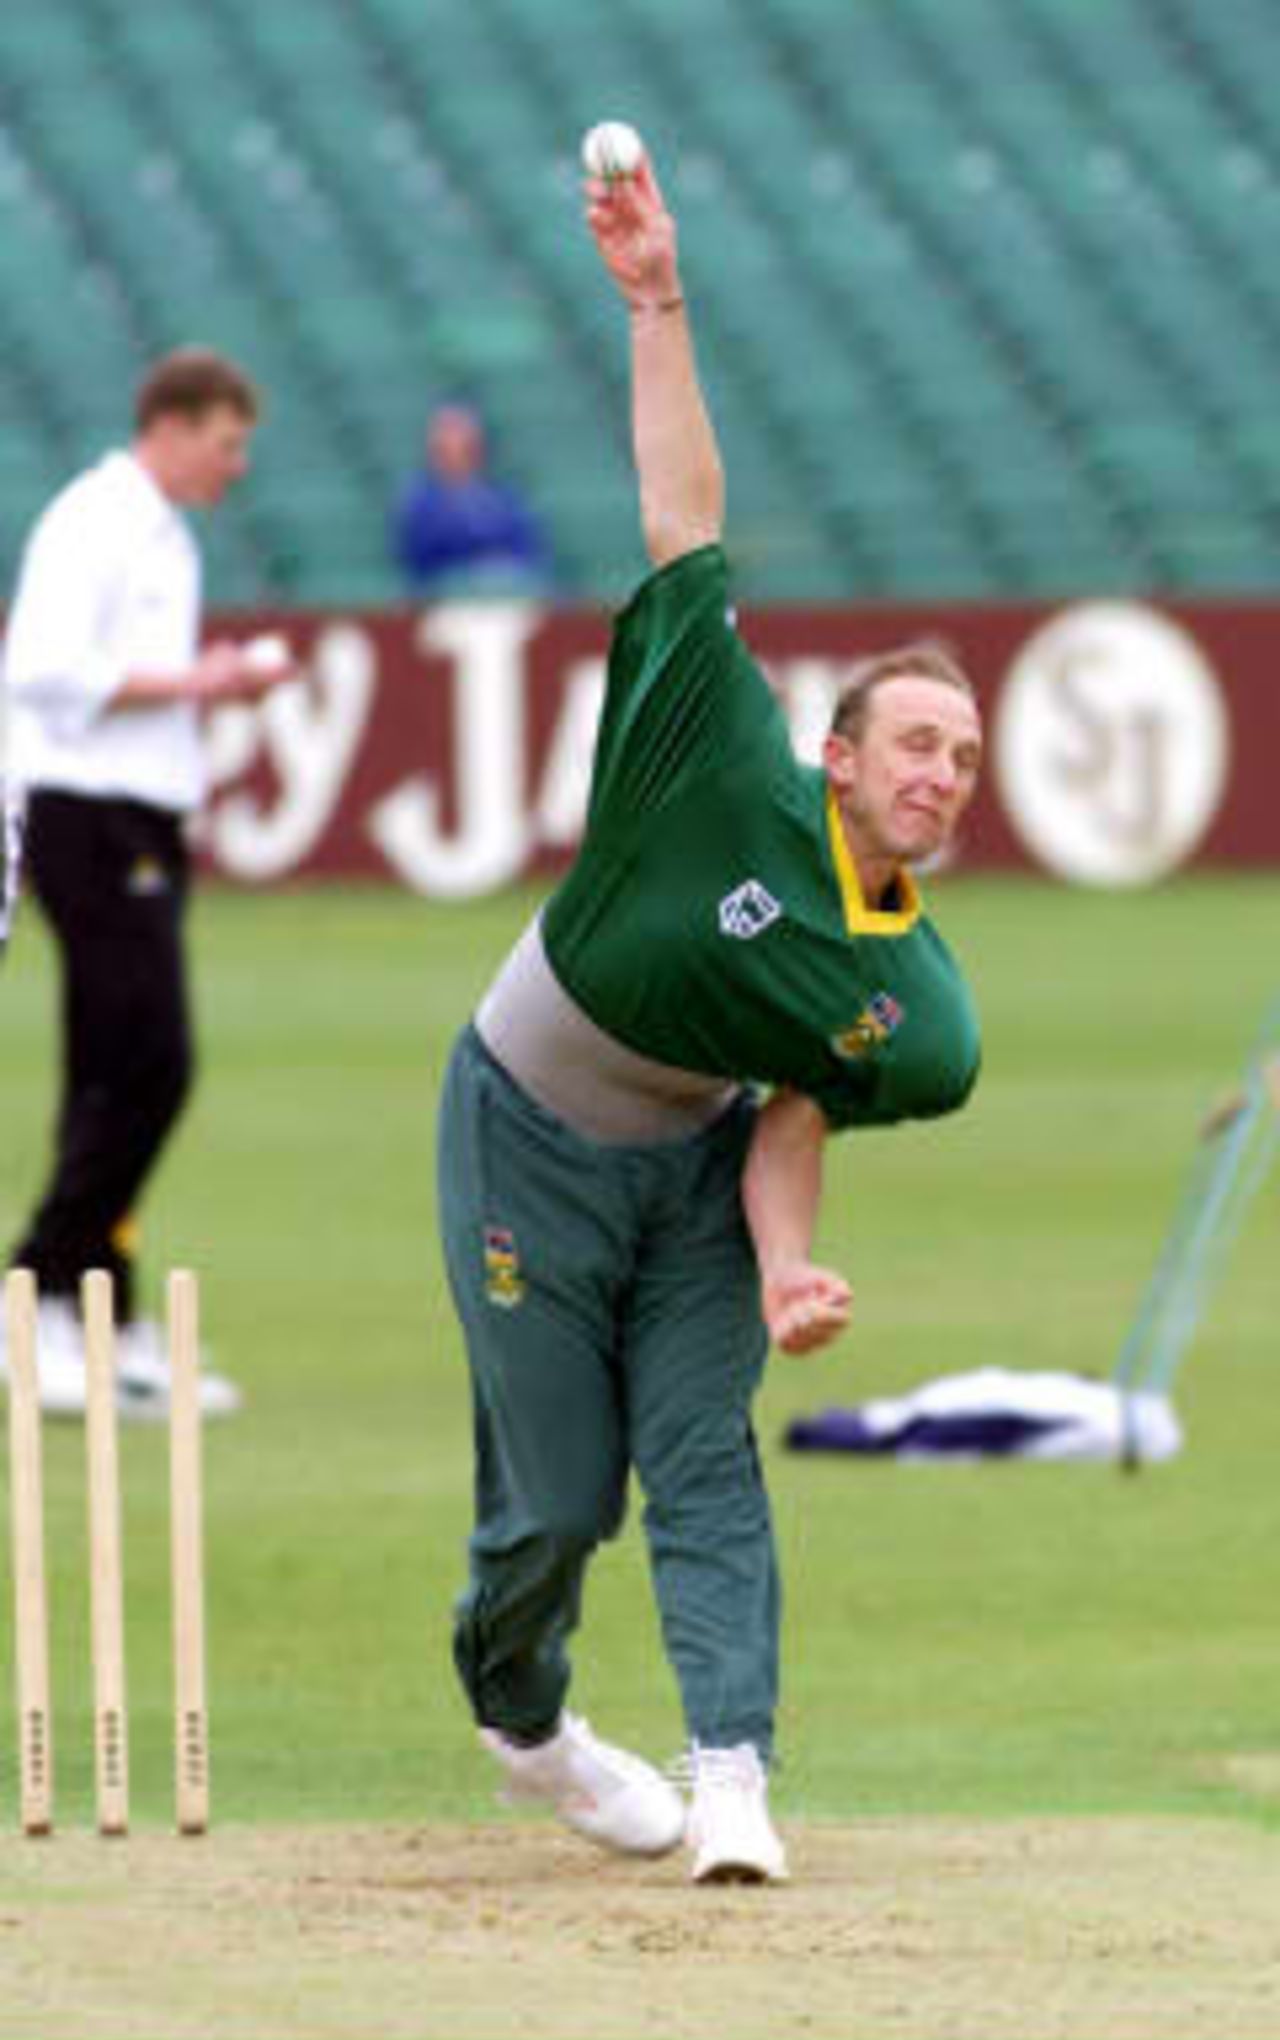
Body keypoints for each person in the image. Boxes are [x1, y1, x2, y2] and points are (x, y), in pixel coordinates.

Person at [436, 146, 984, 1885]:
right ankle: (522, 1720)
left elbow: (796, 1108)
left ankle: (733, 1770)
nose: (942, 773)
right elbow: (687, 515)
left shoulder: (922, 1004)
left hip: (688, 1172)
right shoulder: (715, 741)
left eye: (964, 759)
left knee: (704, 1461)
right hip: (521, 1114)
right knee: (557, 1506)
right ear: (837, 754)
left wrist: (782, 1268)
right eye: (915, 741)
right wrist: (659, 297)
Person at [1, 347, 297, 1421]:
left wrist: (195, 688)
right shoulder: (97, 520)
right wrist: (200, 680)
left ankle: (96, 1310)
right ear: (171, 425)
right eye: (226, 442)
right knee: (152, 1063)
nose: (236, 465)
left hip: (138, 815)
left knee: (111, 1067)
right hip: (87, 811)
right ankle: (35, 1291)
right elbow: (36, 666)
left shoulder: (159, 529)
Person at [391, 401, 553, 596]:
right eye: (445, 446)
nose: (455, 452)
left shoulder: (502, 498)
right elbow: (421, 554)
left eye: (464, 444)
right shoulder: (420, 502)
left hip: (505, 594)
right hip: (445, 596)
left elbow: (526, 547)